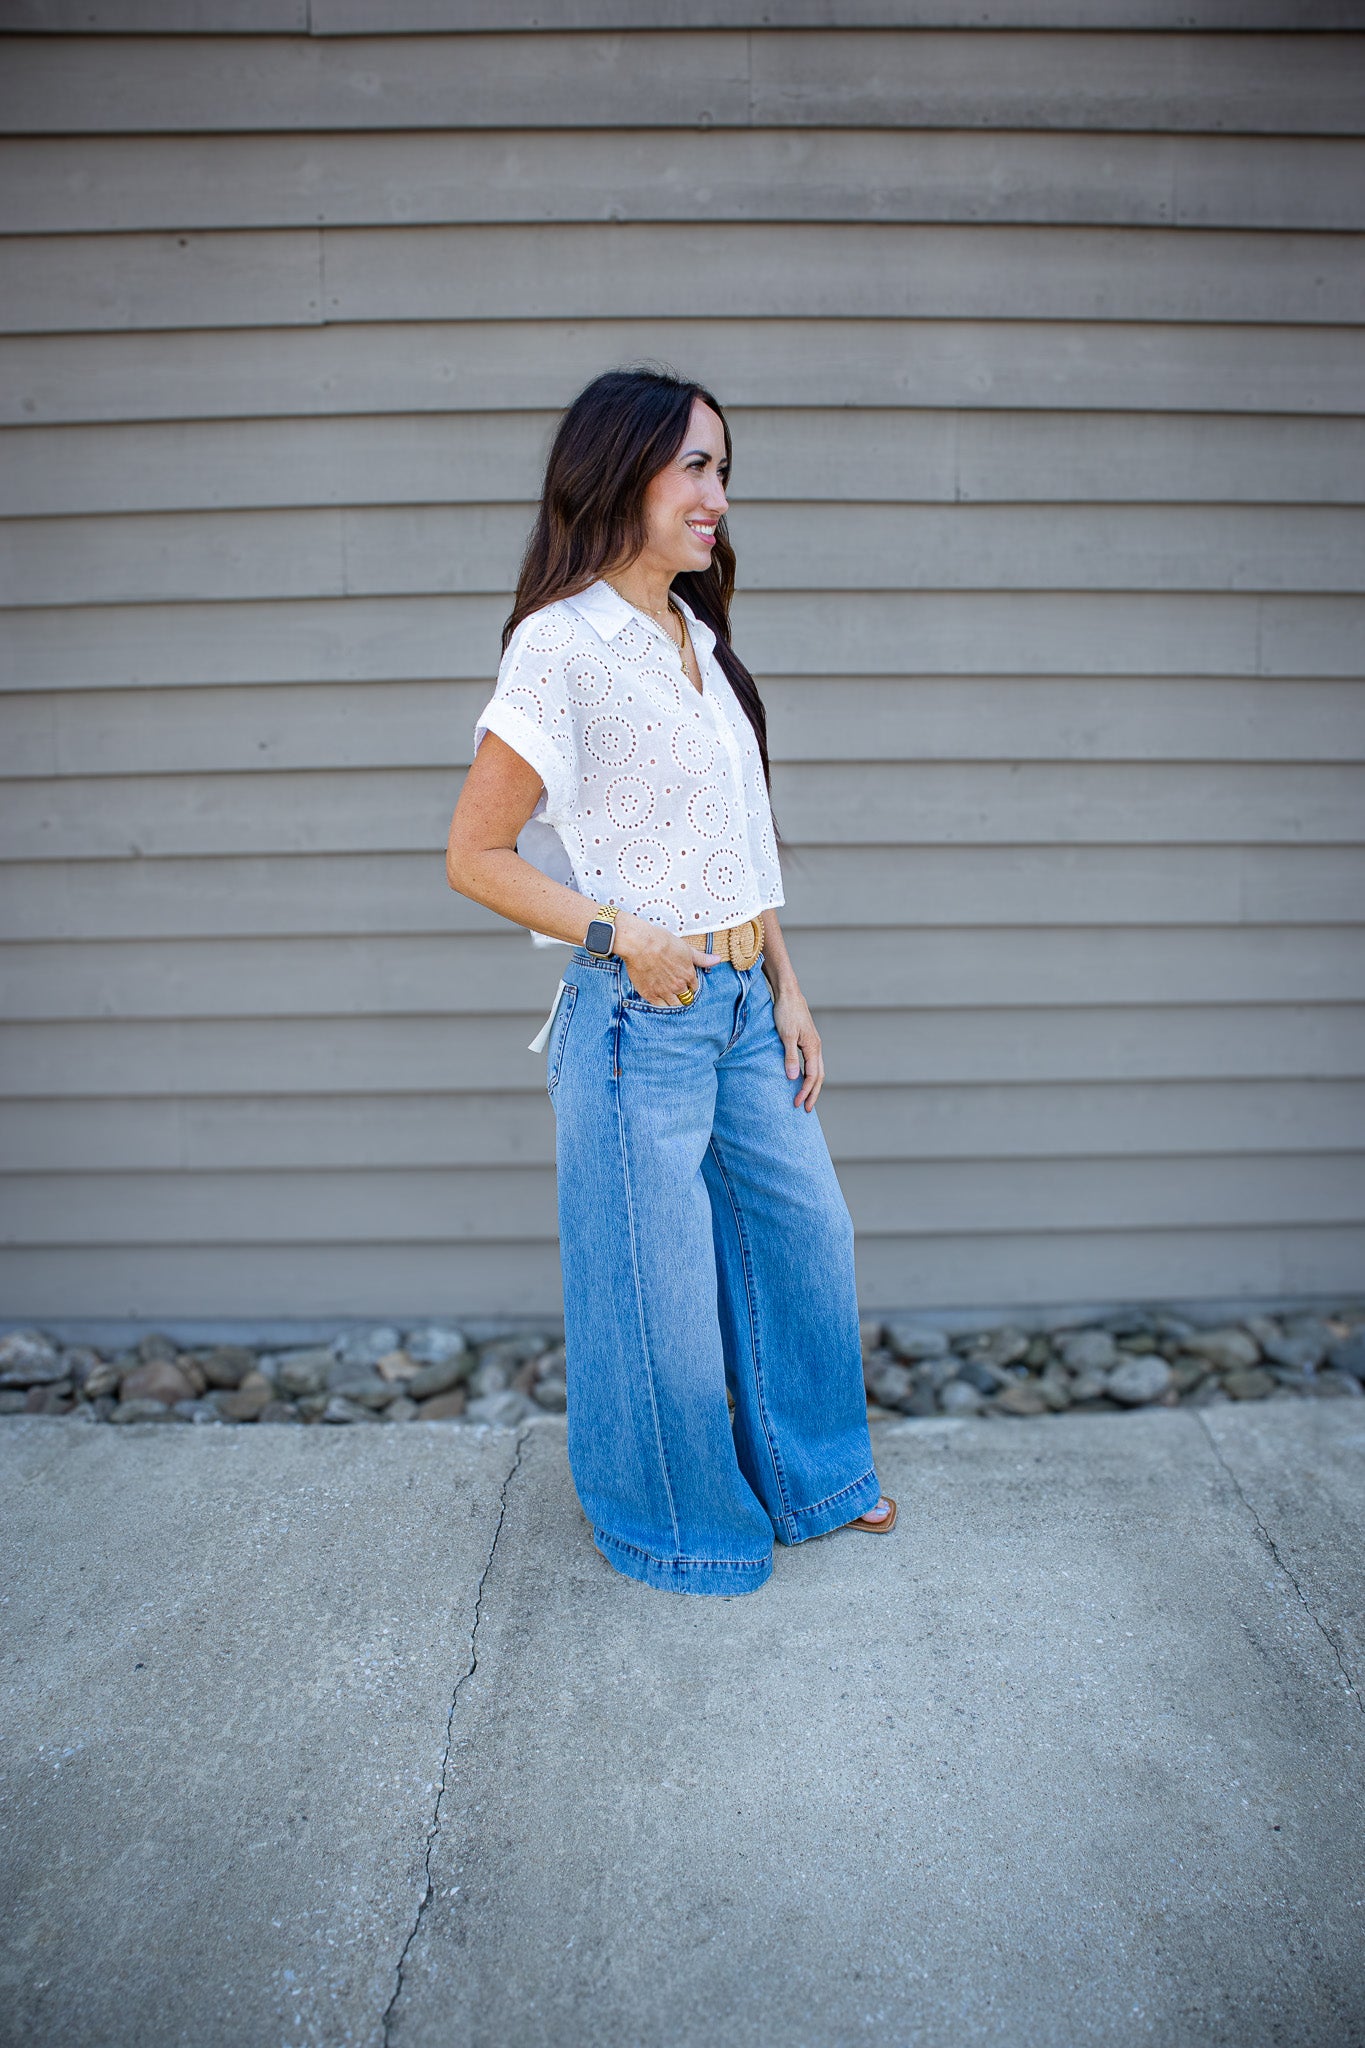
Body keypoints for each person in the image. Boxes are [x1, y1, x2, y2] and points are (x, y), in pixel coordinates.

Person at [446, 366, 894, 1596]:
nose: (718, 496)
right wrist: (620, 937)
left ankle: (814, 1478)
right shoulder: (562, 644)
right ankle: (679, 1521)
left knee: (806, 1235)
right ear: (621, 471)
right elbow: (472, 855)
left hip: (747, 1004)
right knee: (657, 1290)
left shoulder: (697, 639)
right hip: (640, 1013)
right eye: (695, 466)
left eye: (724, 470)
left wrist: (790, 986)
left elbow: (740, 845)